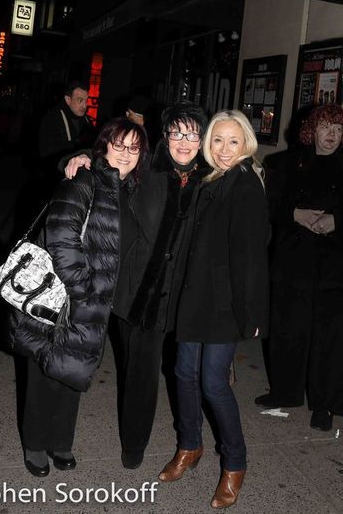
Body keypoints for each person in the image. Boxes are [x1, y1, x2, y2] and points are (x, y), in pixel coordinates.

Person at [63, 101, 209, 469]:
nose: (184, 141)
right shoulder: (148, 170)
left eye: (192, 134)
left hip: (175, 297)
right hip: (131, 290)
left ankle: (135, 445)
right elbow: (112, 157)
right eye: (176, 132)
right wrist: (79, 156)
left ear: (202, 139)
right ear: (166, 137)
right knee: (132, 365)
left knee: (147, 372)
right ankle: (134, 440)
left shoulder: (211, 180)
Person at [9, 117, 149, 477]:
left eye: (134, 148)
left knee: (72, 370)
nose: (126, 154)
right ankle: (35, 443)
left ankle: (60, 440)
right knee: (43, 370)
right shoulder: (84, 180)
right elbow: (60, 236)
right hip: (62, 296)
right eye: (118, 145)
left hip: (92, 302)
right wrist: (81, 287)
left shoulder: (130, 188)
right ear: (102, 146)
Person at [159, 109, 270, 511]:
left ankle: (235, 464)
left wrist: (252, 312)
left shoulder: (245, 184)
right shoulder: (211, 179)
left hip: (225, 301)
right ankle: (190, 445)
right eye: (218, 141)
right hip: (196, 296)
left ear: (246, 144)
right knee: (182, 372)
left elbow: (253, 256)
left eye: (233, 141)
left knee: (213, 384)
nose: (225, 149)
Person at [255, 103, 343, 433]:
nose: (332, 134)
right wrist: (296, 214)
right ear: (312, 130)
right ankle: (286, 392)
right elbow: (270, 205)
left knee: (330, 338)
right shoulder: (287, 163)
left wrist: (337, 221)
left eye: (339, 129)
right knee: (288, 330)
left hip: (334, 265)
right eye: (326, 127)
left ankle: (325, 404)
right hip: (294, 261)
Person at [38, 78, 96, 186]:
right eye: (80, 100)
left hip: (80, 178)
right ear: (68, 100)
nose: (85, 106)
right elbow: (47, 155)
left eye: (86, 100)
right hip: (56, 178)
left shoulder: (87, 121)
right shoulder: (52, 119)